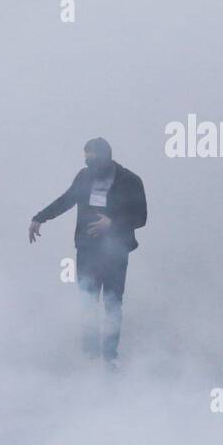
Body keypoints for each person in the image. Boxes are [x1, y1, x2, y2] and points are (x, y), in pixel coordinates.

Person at [29, 138, 147, 370]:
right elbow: (66, 200)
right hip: (87, 249)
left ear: (105, 157)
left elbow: (141, 217)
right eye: (86, 158)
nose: (87, 162)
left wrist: (112, 224)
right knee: (87, 300)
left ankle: (110, 356)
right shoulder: (84, 177)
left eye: (92, 158)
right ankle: (90, 355)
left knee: (112, 303)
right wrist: (39, 217)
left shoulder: (130, 181)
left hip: (116, 252)